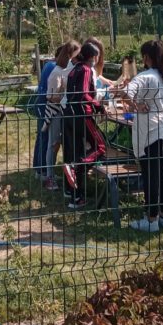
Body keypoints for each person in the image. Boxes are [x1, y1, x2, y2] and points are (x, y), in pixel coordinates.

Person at [120, 40, 163, 232]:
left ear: (146, 57)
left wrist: (137, 105)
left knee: (150, 175)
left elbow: (124, 92)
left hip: (149, 131)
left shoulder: (145, 76)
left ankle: (151, 219)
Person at [63, 42, 106, 210]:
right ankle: (76, 167)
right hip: (82, 113)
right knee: (101, 147)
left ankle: (76, 197)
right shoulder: (87, 69)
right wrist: (98, 105)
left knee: (78, 152)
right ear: (92, 57)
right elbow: (83, 93)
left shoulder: (74, 69)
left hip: (69, 113)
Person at [43, 41, 80, 192]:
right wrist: (67, 97)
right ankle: (49, 176)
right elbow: (50, 96)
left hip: (64, 111)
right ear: (70, 54)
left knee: (61, 143)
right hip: (55, 112)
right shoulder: (57, 72)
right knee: (53, 144)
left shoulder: (66, 70)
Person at [32, 45, 62, 183]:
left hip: (41, 103)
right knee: (45, 138)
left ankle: (38, 169)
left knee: (41, 137)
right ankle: (43, 170)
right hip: (47, 105)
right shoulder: (54, 67)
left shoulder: (48, 64)